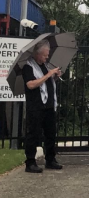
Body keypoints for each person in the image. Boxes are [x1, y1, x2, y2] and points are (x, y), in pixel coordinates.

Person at [22, 41, 63, 173]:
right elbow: (31, 85)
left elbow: (47, 83)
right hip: (36, 106)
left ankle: (50, 159)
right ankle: (30, 162)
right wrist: (48, 75)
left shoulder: (46, 66)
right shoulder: (28, 67)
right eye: (45, 55)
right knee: (33, 134)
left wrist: (55, 77)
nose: (47, 57)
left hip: (49, 106)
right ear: (38, 54)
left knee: (51, 133)